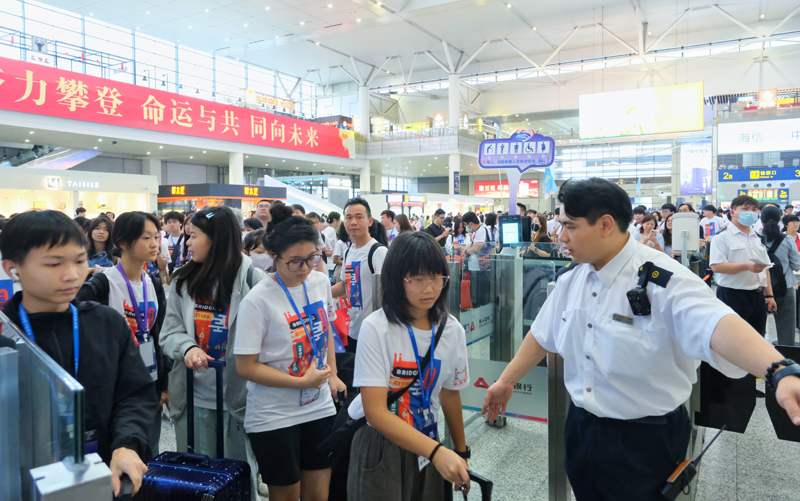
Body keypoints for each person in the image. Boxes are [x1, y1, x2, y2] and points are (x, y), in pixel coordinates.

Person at [481, 177, 800, 501]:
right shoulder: (572, 279)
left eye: (569, 227)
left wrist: (779, 370)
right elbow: (543, 333)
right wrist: (507, 381)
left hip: (645, 438)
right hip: (581, 427)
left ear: (605, 225)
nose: (560, 237)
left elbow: (717, 324)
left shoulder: (663, 278)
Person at [0, 211, 156, 496]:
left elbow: (134, 394)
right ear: (13, 268)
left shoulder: (106, 323)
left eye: (80, 261)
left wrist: (127, 444)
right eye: (54, 263)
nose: (72, 274)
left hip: (105, 474)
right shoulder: (6, 337)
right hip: (21, 481)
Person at [347, 232, 470, 500]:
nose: (429, 289)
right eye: (417, 279)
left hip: (428, 438)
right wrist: (437, 452)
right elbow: (375, 412)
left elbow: (449, 393)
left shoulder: (452, 330)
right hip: (381, 444)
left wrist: (460, 452)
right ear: (395, 279)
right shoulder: (377, 328)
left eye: (437, 277)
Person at [235, 215, 346, 501]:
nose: (305, 268)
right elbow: (245, 366)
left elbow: (326, 333)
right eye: (295, 261)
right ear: (274, 256)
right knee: (287, 495)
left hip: (319, 406)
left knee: (319, 495)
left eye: (311, 257)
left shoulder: (320, 282)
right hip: (273, 415)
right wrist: (298, 382)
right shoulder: (257, 301)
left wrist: (332, 373)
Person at [159, 206, 266, 500]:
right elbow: (168, 334)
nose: (187, 243)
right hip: (192, 400)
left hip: (237, 402)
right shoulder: (183, 280)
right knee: (194, 484)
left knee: (236, 483)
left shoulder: (253, 282)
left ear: (216, 239)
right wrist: (188, 347)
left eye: (193, 236)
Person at [77, 211, 170, 459]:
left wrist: (164, 384)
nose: (154, 244)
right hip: (113, 388)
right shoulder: (103, 284)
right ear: (124, 243)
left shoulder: (153, 283)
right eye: (145, 237)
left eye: (156, 236)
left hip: (148, 381)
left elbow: (158, 334)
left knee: (149, 454)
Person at [710, 195, 776, 336]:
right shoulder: (722, 237)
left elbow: (765, 268)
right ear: (732, 212)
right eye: (745, 209)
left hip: (757, 296)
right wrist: (746, 266)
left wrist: (769, 295)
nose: (750, 212)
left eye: (754, 209)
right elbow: (717, 266)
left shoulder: (757, 237)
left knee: (757, 337)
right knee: (733, 338)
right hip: (733, 295)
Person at [331, 198, 388, 353]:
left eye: (359, 217)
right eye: (348, 218)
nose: (353, 222)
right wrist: (320, 293)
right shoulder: (349, 251)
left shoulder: (378, 252)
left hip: (375, 333)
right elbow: (345, 285)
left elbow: (390, 290)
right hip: (354, 330)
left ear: (369, 221)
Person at [761, 206, 800, 346]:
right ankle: (786, 359)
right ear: (780, 220)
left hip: (761, 287)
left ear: (761, 219)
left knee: (757, 326)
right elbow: (797, 265)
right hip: (786, 287)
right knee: (786, 327)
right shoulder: (788, 239)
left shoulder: (755, 239)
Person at [463, 211, 493, 307]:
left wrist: (467, 252)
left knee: (481, 295)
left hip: (481, 268)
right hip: (478, 268)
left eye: (466, 225)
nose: (466, 228)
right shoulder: (479, 230)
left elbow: (476, 248)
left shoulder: (481, 230)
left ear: (471, 224)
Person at [323, 212, 340, 278]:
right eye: (339, 220)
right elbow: (324, 238)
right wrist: (328, 250)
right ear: (335, 220)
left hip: (330, 259)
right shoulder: (331, 229)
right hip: (330, 260)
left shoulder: (328, 228)